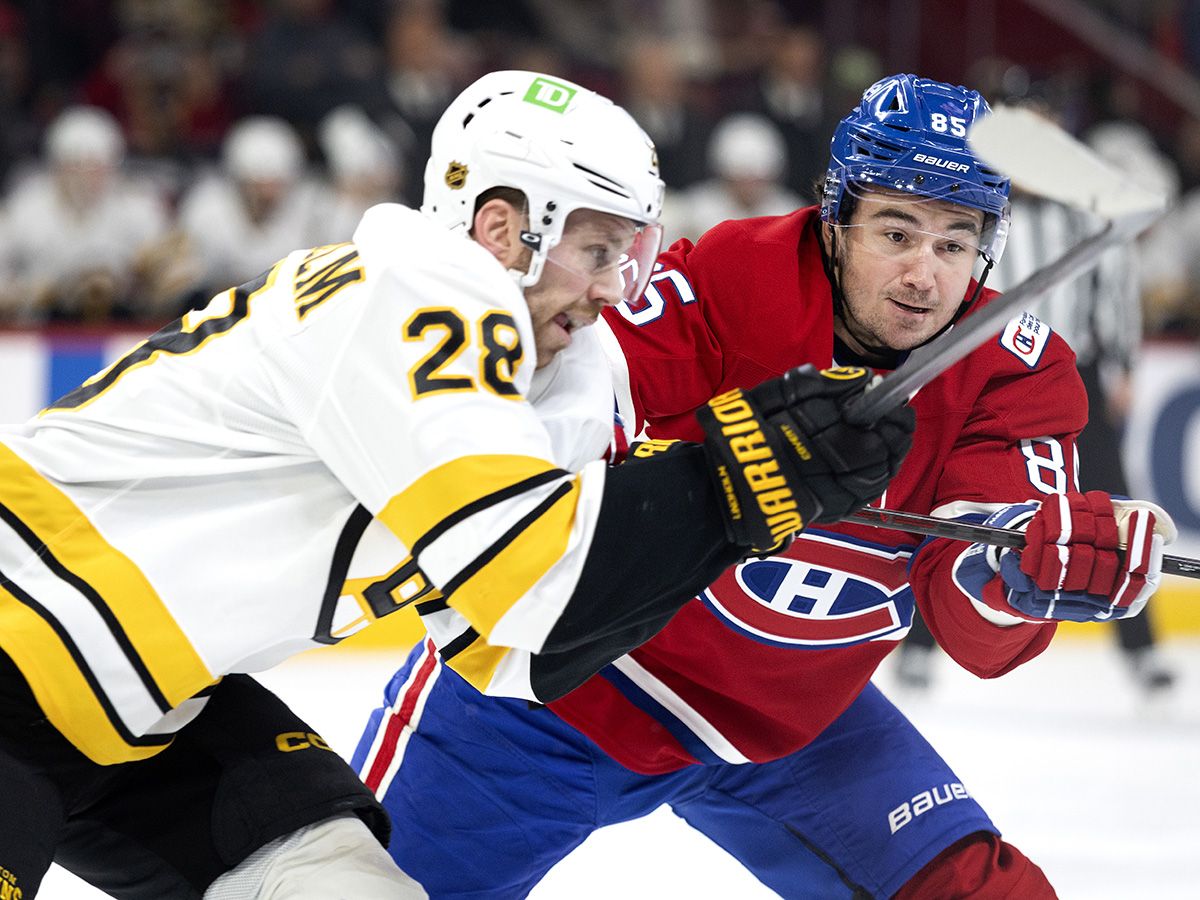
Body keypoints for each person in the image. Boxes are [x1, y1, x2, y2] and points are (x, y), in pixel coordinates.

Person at [0, 70, 912, 899]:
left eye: (626, 254)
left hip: (156, 710)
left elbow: (516, 653)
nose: (614, 290)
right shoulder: (415, 288)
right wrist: (738, 480)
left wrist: (747, 500)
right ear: (503, 226)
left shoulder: (554, 378)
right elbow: (528, 572)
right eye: (597, 251)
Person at [354, 73, 1173, 898]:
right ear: (836, 218)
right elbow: (556, 427)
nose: (926, 277)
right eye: (897, 232)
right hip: (552, 696)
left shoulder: (1014, 371)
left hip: (787, 728)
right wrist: (735, 455)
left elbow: (973, 622)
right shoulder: (733, 276)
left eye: (955, 243)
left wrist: (1030, 577)